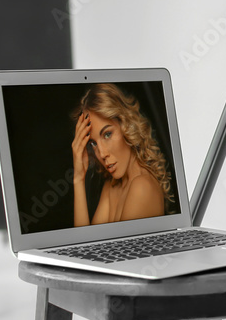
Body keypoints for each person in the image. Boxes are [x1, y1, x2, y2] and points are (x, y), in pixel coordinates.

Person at [71, 83, 175, 226]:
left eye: (107, 134)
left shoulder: (142, 187)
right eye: (93, 143)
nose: (102, 154)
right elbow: (83, 245)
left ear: (126, 125)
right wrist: (78, 178)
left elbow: (89, 246)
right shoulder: (112, 185)